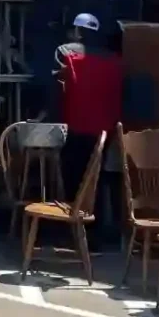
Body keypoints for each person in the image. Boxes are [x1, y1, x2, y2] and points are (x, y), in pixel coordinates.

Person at [52, 13, 124, 248]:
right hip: (106, 132)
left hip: (77, 128)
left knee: (74, 180)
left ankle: (75, 231)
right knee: (99, 181)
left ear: (77, 31)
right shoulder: (114, 60)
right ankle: (97, 232)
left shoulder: (67, 53)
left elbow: (57, 88)